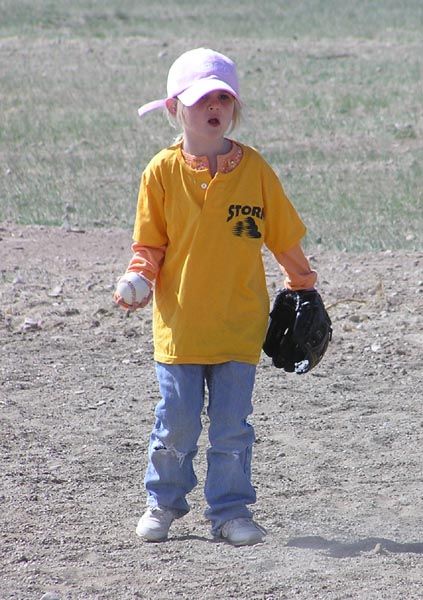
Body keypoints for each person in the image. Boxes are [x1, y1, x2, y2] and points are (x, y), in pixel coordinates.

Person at [114, 48, 317, 546]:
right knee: (176, 426)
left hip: (238, 326)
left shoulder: (255, 170)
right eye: (202, 97)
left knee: (231, 431)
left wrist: (304, 283)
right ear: (174, 108)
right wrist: (138, 278)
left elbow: (282, 236)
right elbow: (149, 244)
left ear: (234, 108)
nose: (215, 105)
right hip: (181, 328)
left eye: (224, 97)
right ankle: (162, 503)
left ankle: (230, 512)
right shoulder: (160, 173)